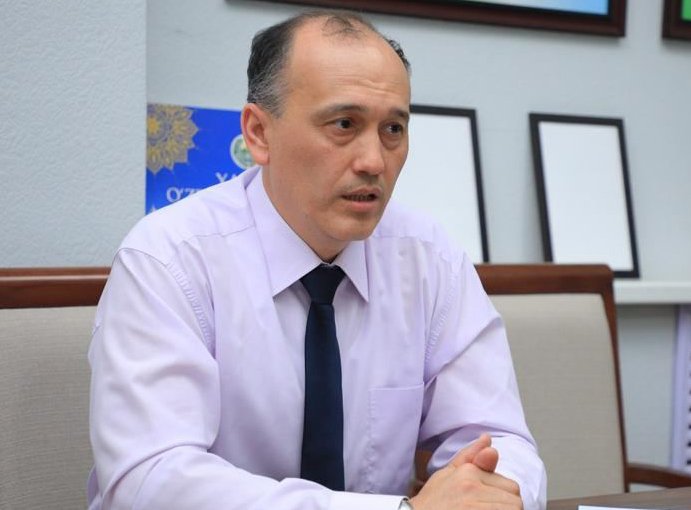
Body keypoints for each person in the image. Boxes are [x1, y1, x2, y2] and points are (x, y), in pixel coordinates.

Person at [87, 10, 546, 510]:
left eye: (393, 129)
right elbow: (150, 481)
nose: (374, 161)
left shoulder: (430, 260)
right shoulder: (168, 259)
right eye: (344, 124)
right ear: (259, 134)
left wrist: (493, 493)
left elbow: (500, 439)